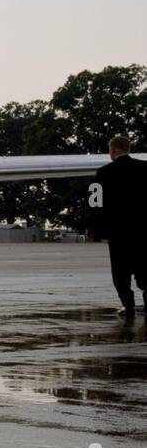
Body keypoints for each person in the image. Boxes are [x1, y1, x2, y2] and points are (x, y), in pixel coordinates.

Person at [91, 134, 147, 320]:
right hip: (143, 232)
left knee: (120, 273)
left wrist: (95, 229)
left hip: (118, 233)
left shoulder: (102, 173)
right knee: (144, 270)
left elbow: (95, 204)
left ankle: (128, 306)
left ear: (113, 150)